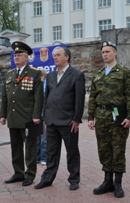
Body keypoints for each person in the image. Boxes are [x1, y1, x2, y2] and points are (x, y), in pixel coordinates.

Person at [87, 40, 130, 198]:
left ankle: (118, 183)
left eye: (108, 51)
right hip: (102, 116)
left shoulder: (123, 72)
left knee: (118, 149)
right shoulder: (98, 74)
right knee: (104, 149)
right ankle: (107, 181)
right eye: (103, 52)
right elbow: (93, 97)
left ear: (115, 53)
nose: (105, 54)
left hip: (118, 116)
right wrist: (90, 117)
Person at [34, 47, 85, 191]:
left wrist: (76, 119)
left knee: (72, 151)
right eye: (54, 55)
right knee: (51, 152)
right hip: (51, 121)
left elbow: (79, 100)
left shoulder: (77, 75)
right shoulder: (50, 76)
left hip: (69, 121)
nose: (55, 57)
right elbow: (46, 97)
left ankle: (74, 179)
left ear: (67, 57)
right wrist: (45, 117)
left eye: (58, 55)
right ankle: (47, 178)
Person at [0, 41, 43, 187]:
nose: (16, 58)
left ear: (26, 57)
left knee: (30, 148)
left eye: (19, 55)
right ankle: (18, 173)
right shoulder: (10, 74)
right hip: (13, 117)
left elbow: (38, 97)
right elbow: (5, 96)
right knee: (15, 147)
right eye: (15, 55)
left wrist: (37, 115)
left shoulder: (34, 73)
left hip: (28, 117)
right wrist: (3, 114)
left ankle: (29, 174)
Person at [37, 69, 47, 166]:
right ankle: (37, 157)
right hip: (35, 115)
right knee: (36, 137)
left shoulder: (47, 85)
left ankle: (44, 157)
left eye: (42, 75)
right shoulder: (36, 85)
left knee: (44, 138)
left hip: (44, 115)